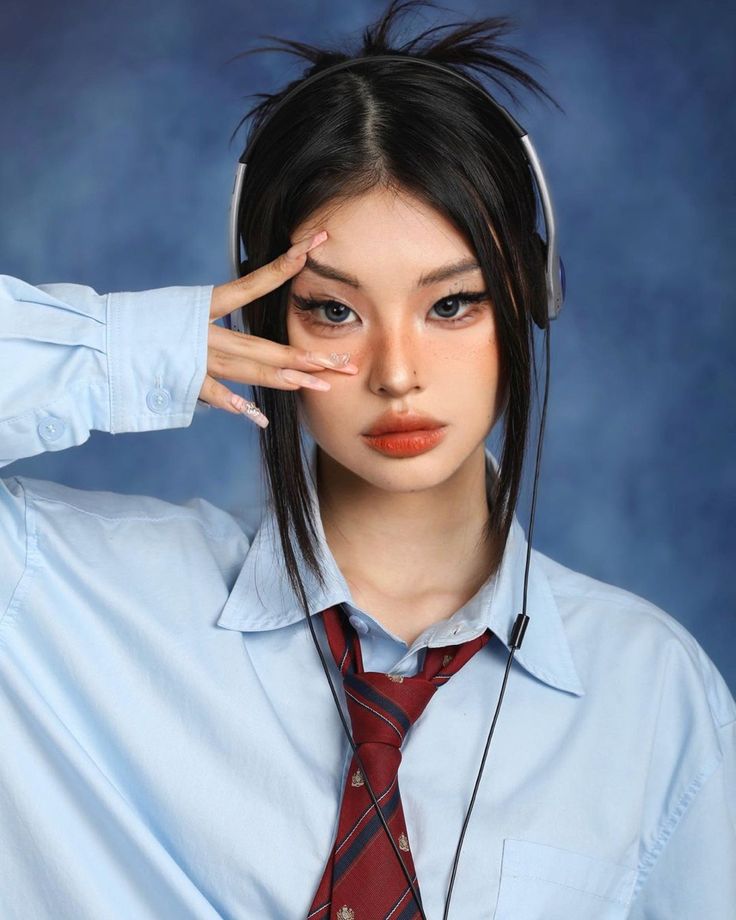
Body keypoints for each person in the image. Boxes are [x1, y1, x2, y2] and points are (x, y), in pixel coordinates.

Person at [1, 1, 734, 918]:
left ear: (529, 299)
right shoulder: (58, 599)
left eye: (453, 304)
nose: (396, 374)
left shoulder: (654, 694)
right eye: (334, 310)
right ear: (266, 320)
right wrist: (133, 349)